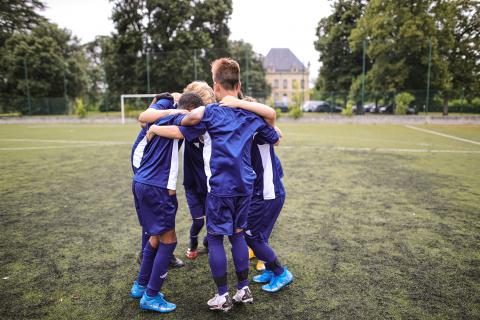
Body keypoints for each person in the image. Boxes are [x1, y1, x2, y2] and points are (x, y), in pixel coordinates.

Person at [146, 58, 279, 312]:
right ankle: (243, 289)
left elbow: (185, 125)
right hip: (246, 187)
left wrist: (178, 120)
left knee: (216, 238)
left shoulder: (211, 114)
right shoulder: (251, 115)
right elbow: (275, 136)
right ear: (239, 84)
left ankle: (222, 295)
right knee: (238, 234)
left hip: (220, 187)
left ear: (216, 86)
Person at [129, 96, 185, 313]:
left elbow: (146, 119)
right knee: (168, 241)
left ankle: (141, 285)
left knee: (154, 236)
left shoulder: (164, 118)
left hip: (141, 181)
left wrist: (155, 129)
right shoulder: (181, 117)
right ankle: (151, 296)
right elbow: (184, 129)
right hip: (157, 187)